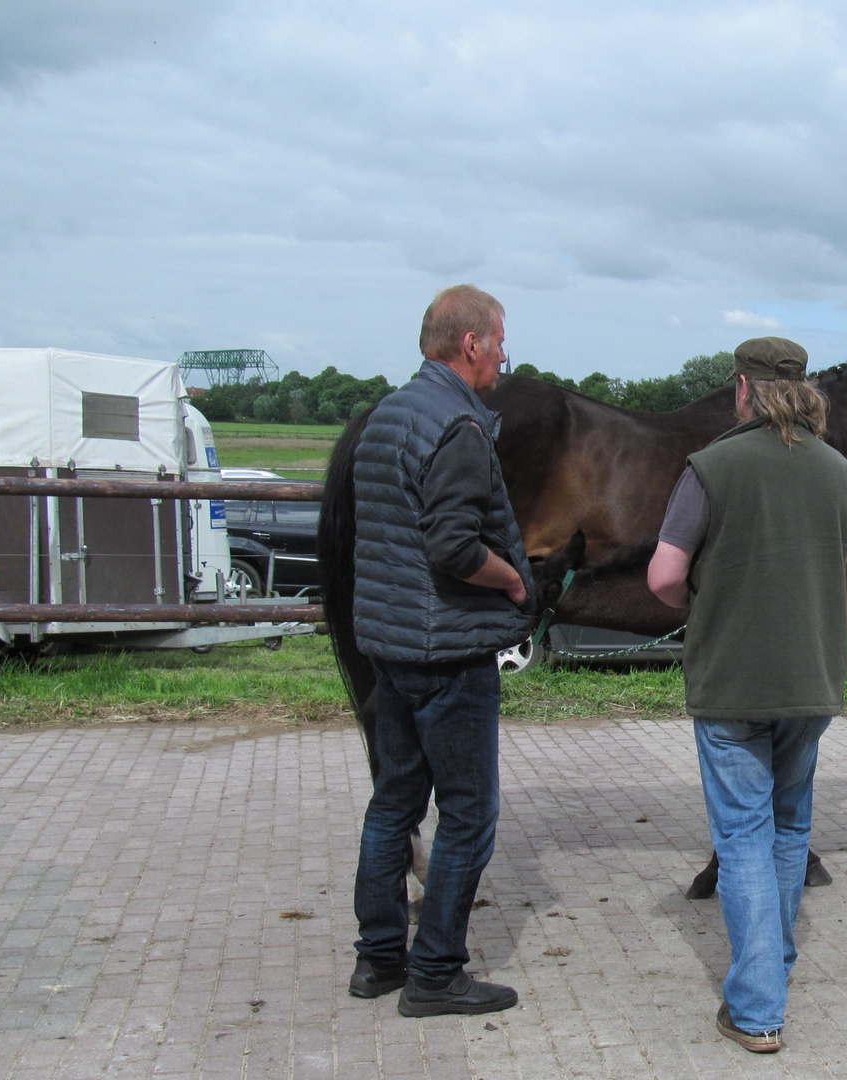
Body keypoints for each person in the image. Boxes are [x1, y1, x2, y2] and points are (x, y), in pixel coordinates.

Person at [647, 337, 847, 1054]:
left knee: (741, 836)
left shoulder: (710, 467)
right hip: (810, 681)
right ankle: (776, 962)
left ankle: (756, 1006)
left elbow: (662, 577)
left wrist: (701, 601)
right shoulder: (843, 475)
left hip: (732, 678)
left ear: (742, 389)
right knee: (789, 829)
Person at [347, 285, 534, 1016]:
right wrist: (512, 579)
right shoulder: (458, 424)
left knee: (394, 801)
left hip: (389, 644)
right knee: (467, 814)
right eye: (499, 341)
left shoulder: (387, 414)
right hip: (446, 652)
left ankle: (378, 960)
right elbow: (453, 545)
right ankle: (435, 974)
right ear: (471, 345)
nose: (503, 355)